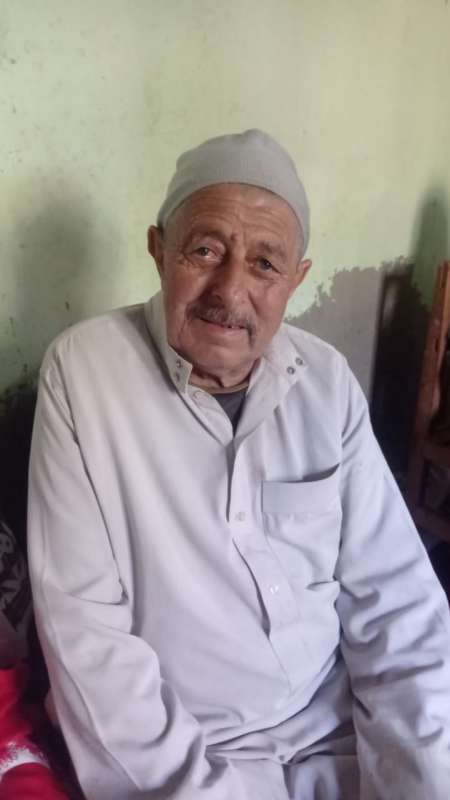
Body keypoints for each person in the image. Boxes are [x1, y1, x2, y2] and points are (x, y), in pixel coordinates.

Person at [27, 130, 450, 800]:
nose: (230, 290)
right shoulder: (83, 374)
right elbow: (88, 642)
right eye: (205, 250)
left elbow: (398, 601)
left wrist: (421, 779)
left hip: (342, 733)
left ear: (296, 280)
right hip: (193, 756)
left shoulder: (326, 381)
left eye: (264, 264)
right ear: (158, 250)